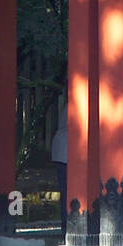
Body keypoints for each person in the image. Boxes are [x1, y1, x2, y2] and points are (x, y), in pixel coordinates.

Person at [51, 100, 68, 235]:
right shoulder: (74, 105)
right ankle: (66, 225)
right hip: (65, 152)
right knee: (66, 191)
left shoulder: (67, 105)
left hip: (61, 151)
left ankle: (66, 225)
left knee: (65, 192)